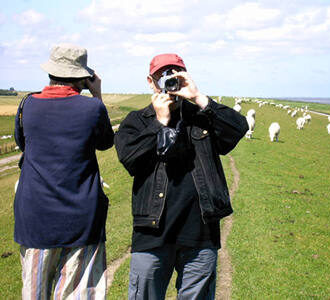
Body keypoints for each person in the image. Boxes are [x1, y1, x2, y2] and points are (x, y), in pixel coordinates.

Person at [114, 53, 248, 299]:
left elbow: (238, 128)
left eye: (174, 75)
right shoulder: (137, 121)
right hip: (151, 235)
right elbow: (129, 158)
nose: (168, 81)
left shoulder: (201, 116)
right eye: (161, 76)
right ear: (150, 81)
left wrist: (198, 97)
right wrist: (160, 123)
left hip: (200, 235)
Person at [14, 44, 114, 299]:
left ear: (51, 72)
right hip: (81, 217)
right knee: (78, 291)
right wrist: (97, 95)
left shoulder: (27, 105)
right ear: (83, 78)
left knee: (35, 290)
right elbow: (105, 142)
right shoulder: (92, 109)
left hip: (35, 215)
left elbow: (23, 144)